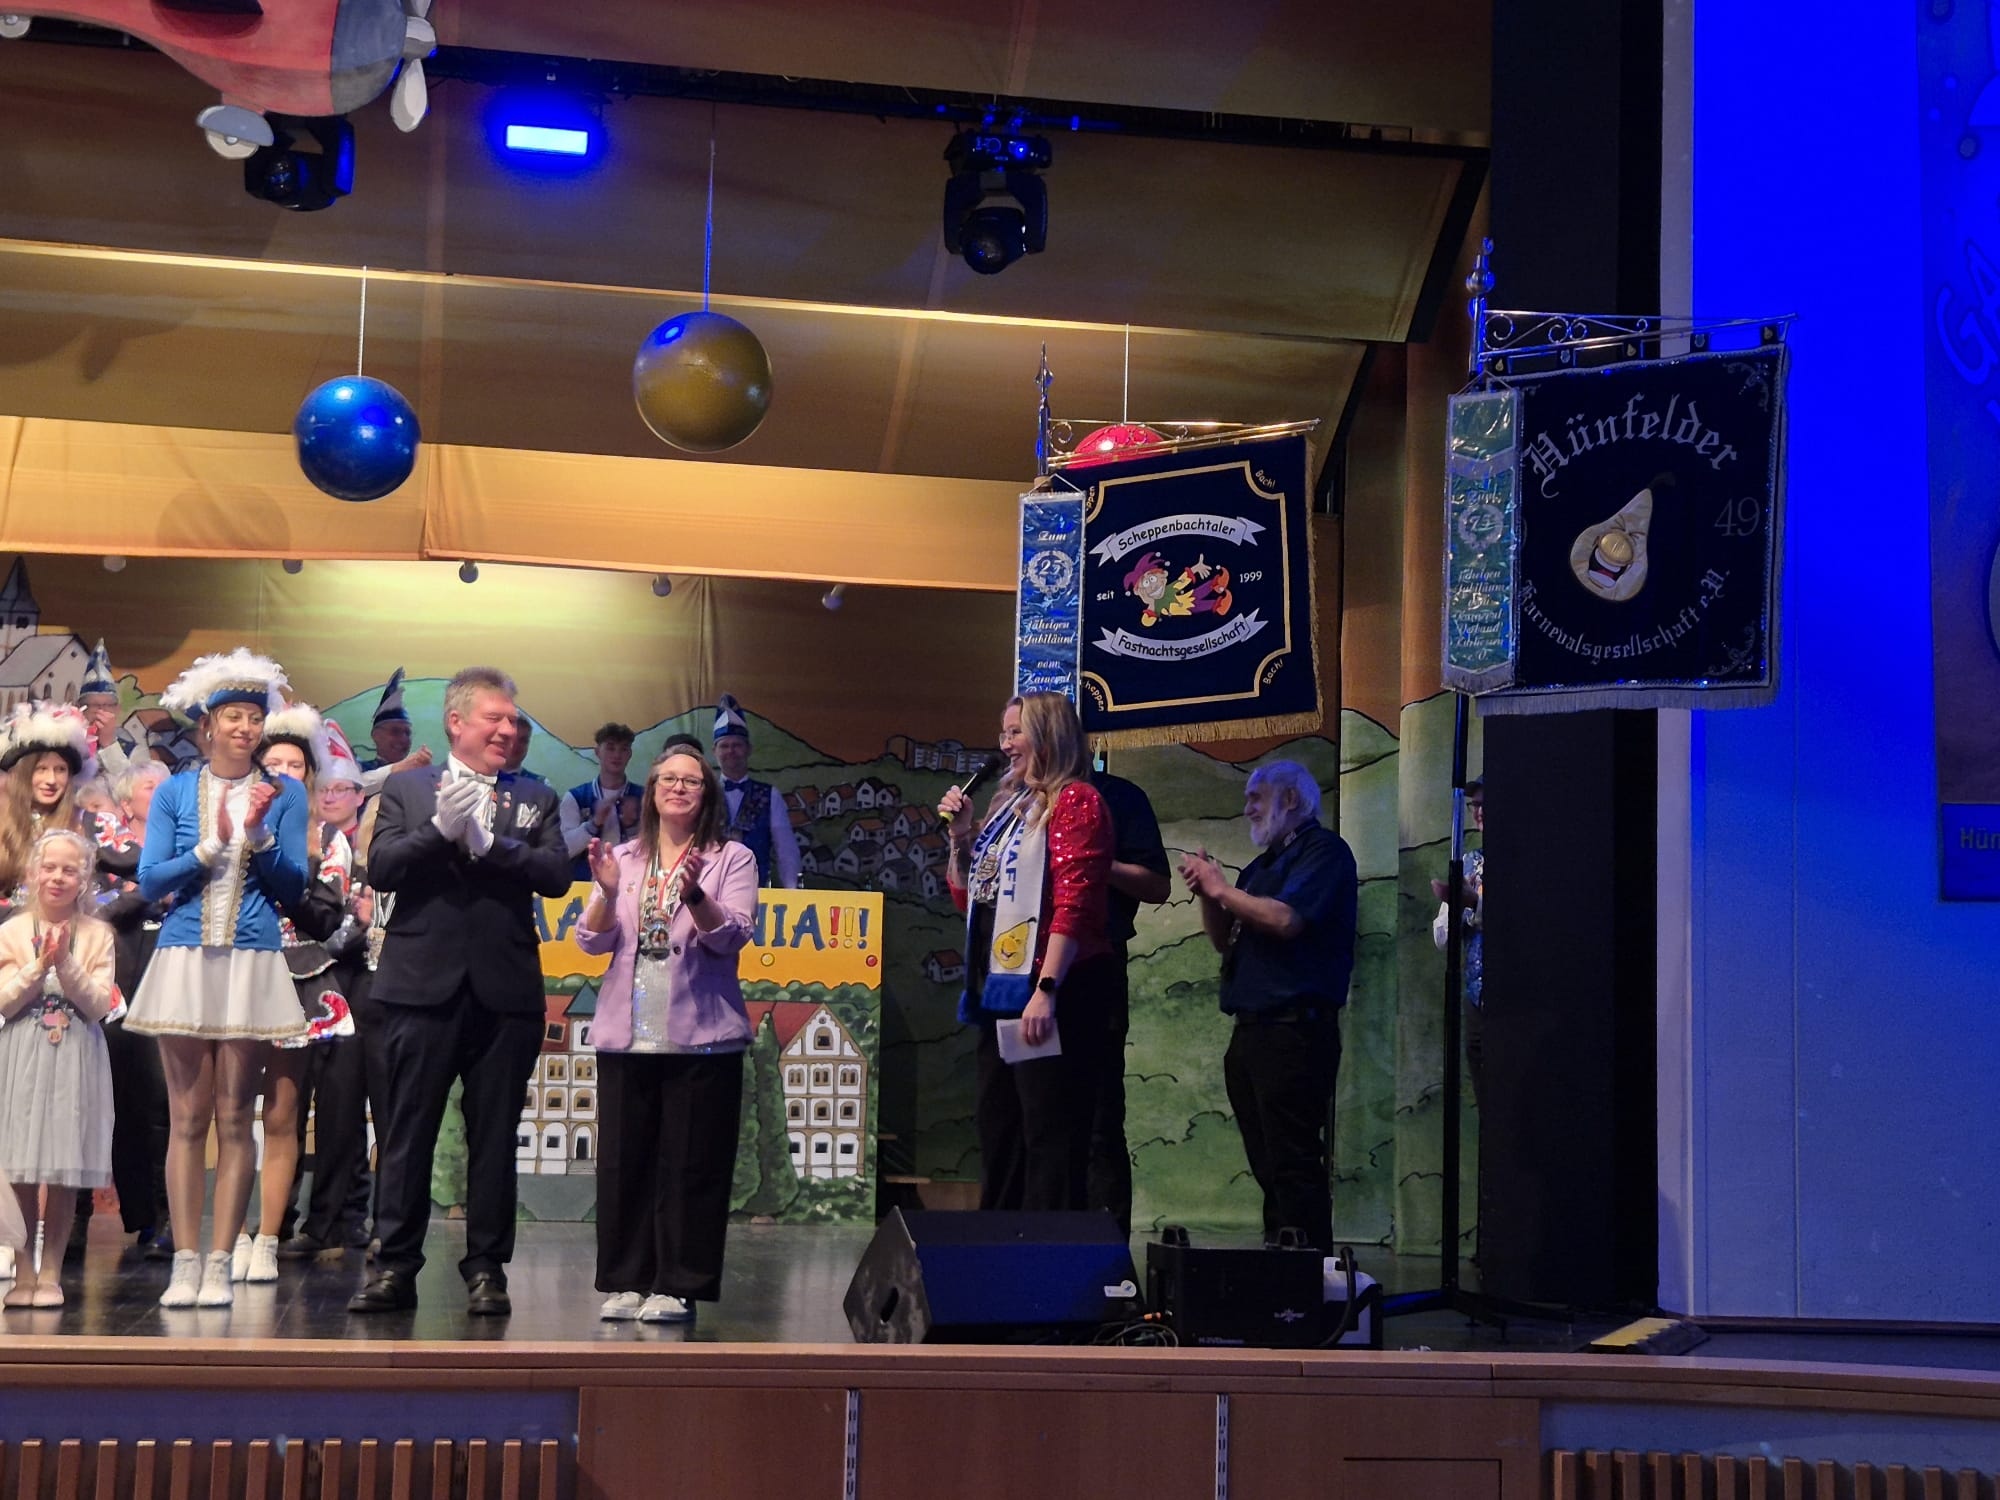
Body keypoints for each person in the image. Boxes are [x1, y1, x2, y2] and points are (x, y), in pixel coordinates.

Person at [347, 666, 569, 1317]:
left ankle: (487, 1269)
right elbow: (382, 868)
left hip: (506, 992)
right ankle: (394, 1266)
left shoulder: (535, 795)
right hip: (419, 987)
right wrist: (439, 832)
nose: (506, 730)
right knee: (407, 1131)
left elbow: (555, 874)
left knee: (495, 1136)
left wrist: (490, 844)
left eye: (512, 721)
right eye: (494, 718)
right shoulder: (408, 787)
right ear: (456, 722)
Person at [124, 649, 310, 1309]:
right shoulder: (177, 791)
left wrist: (257, 834)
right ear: (207, 725)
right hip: (184, 955)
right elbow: (150, 879)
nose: (246, 728)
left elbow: (295, 886)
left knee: (235, 1116)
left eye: (254, 718)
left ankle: (221, 1259)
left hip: (251, 958)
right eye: (233, 717)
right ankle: (184, 1259)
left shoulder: (285, 794)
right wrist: (209, 846)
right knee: (187, 1116)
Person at [577, 745, 758, 1323]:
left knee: (692, 1165)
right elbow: (590, 940)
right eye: (668, 780)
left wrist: (695, 894)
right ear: (652, 791)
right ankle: (627, 1279)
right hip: (627, 1032)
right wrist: (608, 892)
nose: (679, 788)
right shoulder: (624, 857)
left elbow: (731, 937)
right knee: (623, 1162)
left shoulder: (732, 858)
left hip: (702, 1033)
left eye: (691, 781)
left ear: (707, 795)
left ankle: (678, 1284)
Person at [939, 692, 1114, 1212]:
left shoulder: (1075, 800)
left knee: (1048, 1130)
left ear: (1048, 737)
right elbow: (972, 900)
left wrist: (1047, 989)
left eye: (1016, 731)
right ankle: (999, 1241)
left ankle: (1046, 1247)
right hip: (1004, 990)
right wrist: (961, 835)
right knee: (1001, 1127)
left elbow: (1075, 903)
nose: (1006, 743)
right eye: (1004, 733)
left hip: (1055, 989)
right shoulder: (1010, 810)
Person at [1178, 762, 1357, 1253]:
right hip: (1251, 1031)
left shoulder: (1323, 851)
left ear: (1291, 799)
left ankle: (1310, 1271)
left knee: (1292, 1162)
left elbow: (1285, 920)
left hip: (1295, 1032)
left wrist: (1221, 888)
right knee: (1268, 1165)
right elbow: (1225, 941)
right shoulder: (1258, 869)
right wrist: (1208, 896)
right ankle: (1282, 1264)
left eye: (1256, 796)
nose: (1248, 808)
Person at [235, 704, 356, 1284]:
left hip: (302, 978)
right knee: (233, 1111)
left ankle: (270, 1235)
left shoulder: (327, 838)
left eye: (295, 765)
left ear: (309, 775)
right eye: (274, 763)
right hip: (237, 973)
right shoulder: (233, 824)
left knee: (285, 1113)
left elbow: (325, 917)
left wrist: (276, 862)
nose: (284, 773)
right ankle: (231, 1235)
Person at [0, 828, 119, 1309]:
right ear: (33, 873)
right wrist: (38, 966)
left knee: (64, 1166)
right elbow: (4, 1001)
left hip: (75, 1052)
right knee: (21, 1167)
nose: (57, 877)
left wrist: (66, 962)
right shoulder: (11, 931)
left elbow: (98, 1004)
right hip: (21, 1051)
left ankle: (51, 1272)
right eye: (49, 868)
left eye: (69, 870)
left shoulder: (98, 934)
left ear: (84, 878)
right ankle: (23, 1271)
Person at [279, 734, 374, 1259]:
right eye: (326, 789)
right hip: (274, 979)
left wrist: (321, 952)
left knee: (339, 1107)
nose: (332, 797)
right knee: (281, 1107)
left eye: (342, 789)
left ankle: (333, 1220)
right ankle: (274, 1218)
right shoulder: (268, 832)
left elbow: (343, 922)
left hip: (340, 983)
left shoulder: (341, 844)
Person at [1086, 764, 1171, 1237]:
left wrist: (1099, 863)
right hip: (1022, 974)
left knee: (1098, 1117)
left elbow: (1158, 885)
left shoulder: (1118, 797)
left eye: (1020, 732)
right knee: (1034, 1124)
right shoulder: (1022, 800)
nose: (1008, 744)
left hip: (1094, 968)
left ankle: (1106, 1257)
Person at [103, 761, 173, 1260]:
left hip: (165, 972)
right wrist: (143, 895)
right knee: (118, 1101)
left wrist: (137, 897)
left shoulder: (183, 844)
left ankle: (168, 1215)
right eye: (151, 785)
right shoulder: (106, 849)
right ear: (126, 804)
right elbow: (102, 907)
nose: (163, 790)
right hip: (115, 973)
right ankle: (139, 1213)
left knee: (161, 1099)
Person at [1431, 778, 1485, 1109]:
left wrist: (1474, 903)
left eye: (1485, 804)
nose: (1478, 812)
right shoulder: (1469, 862)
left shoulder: (1526, 861)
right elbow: (1441, 937)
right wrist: (1457, 905)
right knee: (1485, 1097)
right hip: (1477, 1000)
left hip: (1519, 1002)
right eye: (1474, 805)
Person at [712, 694, 801, 889]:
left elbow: (786, 850)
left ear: (749, 749)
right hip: (709, 895)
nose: (730, 751)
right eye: (724, 746)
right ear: (714, 751)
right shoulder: (704, 795)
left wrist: (792, 893)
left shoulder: (770, 795)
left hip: (757, 894)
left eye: (737, 745)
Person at [560, 722, 642, 881]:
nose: (617, 755)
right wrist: (594, 823)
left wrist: (632, 827)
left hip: (629, 884)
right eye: (610, 748)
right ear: (597, 752)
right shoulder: (576, 797)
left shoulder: (643, 797)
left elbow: (652, 851)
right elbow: (563, 850)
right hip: (584, 886)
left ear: (630, 754)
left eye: (624, 749)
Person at [77, 639, 152, 783]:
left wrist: (109, 744)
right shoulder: (69, 745)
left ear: (117, 710)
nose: (100, 711)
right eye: (93, 705)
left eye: (107, 705)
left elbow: (131, 788)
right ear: (80, 708)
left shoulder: (135, 751)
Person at [358, 668, 432, 799]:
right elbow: (353, 788)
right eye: (395, 731)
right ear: (376, 735)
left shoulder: (416, 776)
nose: (403, 739)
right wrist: (396, 769)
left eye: (407, 733)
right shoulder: (357, 769)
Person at [502, 710, 547, 785]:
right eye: (510, 738)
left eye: (523, 740)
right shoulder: (481, 776)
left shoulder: (540, 784)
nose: (515, 744)